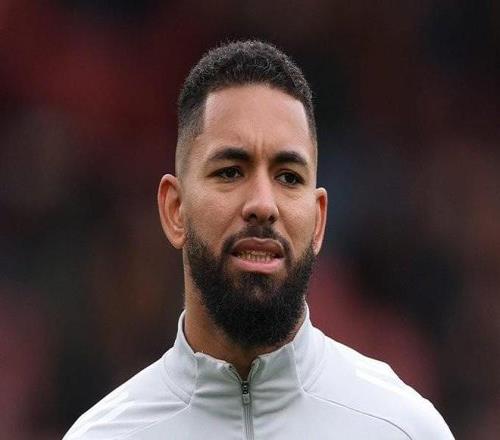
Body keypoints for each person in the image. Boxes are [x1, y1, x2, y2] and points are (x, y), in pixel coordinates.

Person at [64, 40, 454, 439]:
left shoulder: (403, 428)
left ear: (318, 221)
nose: (263, 205)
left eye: (289, 177)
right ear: (175, 209)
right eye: (231, 172)